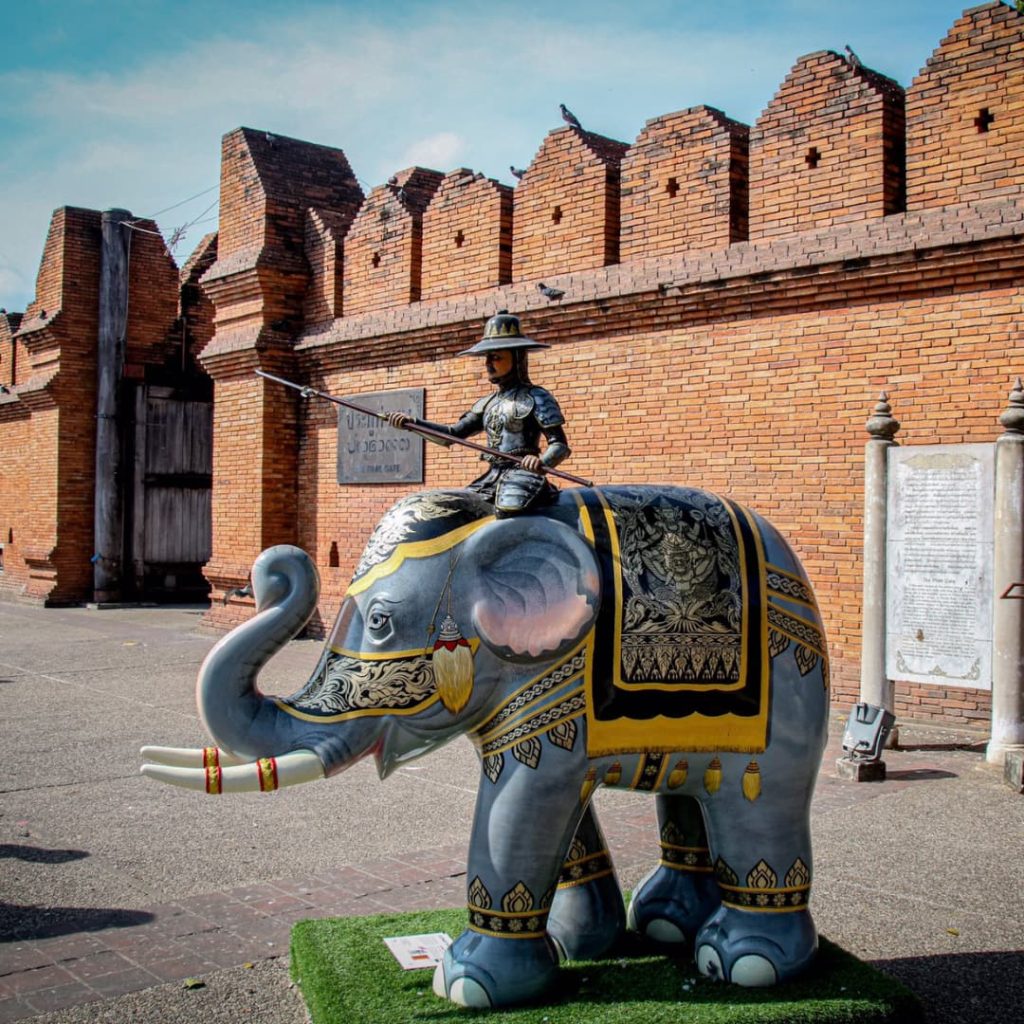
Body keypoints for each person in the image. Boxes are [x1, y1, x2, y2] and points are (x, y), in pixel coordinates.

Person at [385, 311, 571, 516]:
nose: (488, 363)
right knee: (458, 509)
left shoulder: (537, 397)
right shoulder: (487, 403)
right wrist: (413, 423)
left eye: (496, 357)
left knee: (508, 510)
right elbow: (452, 434)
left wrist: (541, 462)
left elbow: (560, 445)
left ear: (517, 357)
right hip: (492, 476)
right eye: (487, 357)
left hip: (523, 476)